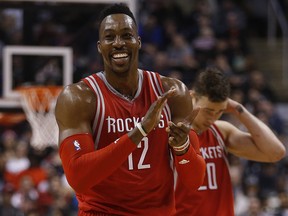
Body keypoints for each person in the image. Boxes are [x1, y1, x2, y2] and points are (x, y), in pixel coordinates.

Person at [55, 3, 206, 216]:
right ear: (99, 46)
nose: (118, 43)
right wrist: (139, 132)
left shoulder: (173, 92)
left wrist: (183, 148)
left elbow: (194, 181)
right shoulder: (79, 97)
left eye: (126, 35)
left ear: (138, 42)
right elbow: (78, 178)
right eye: (109, 37)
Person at [174, 67, 286, 216]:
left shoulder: (221, 131)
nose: (213, 118)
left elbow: (276, 152)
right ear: (192, 96)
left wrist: (238, 109)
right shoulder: (174, 134)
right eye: (208, 110)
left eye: (219, 111)